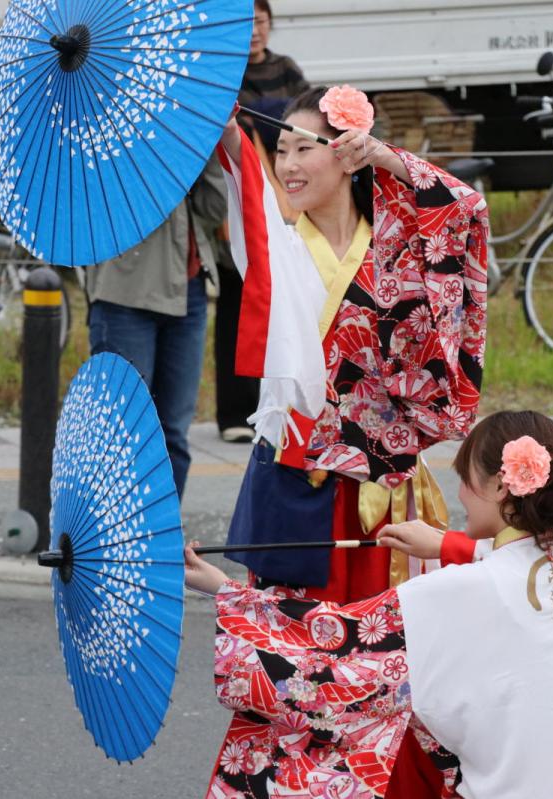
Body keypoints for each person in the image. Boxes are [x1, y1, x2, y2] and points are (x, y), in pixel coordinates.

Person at [212, 84, 489, 796]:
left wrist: (389, 158)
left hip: (391, 494)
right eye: (282, 149)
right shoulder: (269, 235)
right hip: (300, 490)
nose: (290, 163)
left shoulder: (395, 240)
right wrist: (218, 122)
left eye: (306, 147)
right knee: (298, 665)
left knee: (396, 667)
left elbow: (465, 211)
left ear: (347, 154)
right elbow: (233, 164)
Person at [185, 410, 553, 798]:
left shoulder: (460, 591)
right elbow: (520, 562)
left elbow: (334, 637)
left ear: (500, 486)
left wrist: (226, 591)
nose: (460, 495)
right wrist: (448, 544)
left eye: (466, 481)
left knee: (352, 729)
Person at [83, 157, 226, 499]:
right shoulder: (110, 135)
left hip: (188, 288)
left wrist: (207, 151)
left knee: (173, 433)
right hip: (125, 291)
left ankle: (161, 541)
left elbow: (215, 209)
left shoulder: (181, 134)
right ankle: (115, 542)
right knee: (123, 432)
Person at [215, 0, 310, 444]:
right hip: (245, 192)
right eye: (248, 23)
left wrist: (263, 120)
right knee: (238, 301)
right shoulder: (224, 68)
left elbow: (300, 120)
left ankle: (280, 404)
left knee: (289, 303)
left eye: (261, 22)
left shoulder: (287, 66)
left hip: (286, 199)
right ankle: (234, 411)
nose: (255, 31)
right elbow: (256, 124)